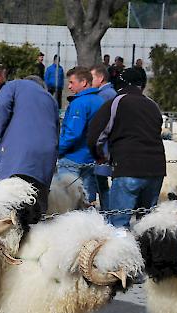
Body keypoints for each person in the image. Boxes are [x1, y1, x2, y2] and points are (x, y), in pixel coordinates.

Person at [87, 68, 166, 228]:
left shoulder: (116, 102)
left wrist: (100, 156)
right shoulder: (152, 105)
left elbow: (96, 136)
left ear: (120, 84)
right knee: (147, 223)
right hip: (156, 169)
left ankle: (121, 251)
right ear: (142, 85)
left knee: (119, 223)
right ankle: (146, 251)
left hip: (128, 167)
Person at [0, 75, 59, 213]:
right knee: (38, 207)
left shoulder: (15, 85)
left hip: (19, 153)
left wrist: (0, 134)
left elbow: (1, 104)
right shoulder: (50, 99)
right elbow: (57, 129)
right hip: (46, 156)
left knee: (6, 202)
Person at [58, 66, 104, 205]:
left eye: (72, 82)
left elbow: (73, 133)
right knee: (86, 201)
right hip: (91, 158)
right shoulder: (100, 101)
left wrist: (57, 150)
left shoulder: (79, 103)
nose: (69, 86)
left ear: (83, 82)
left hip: (73, 158)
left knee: (66, 202)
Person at [90, 63, 118, 209]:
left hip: (103, 147)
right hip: (105, 146)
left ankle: (107, 212)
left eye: (92, 77)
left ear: (100, 78)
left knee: (102, 183)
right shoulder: (109, 93)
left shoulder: (104, 95)